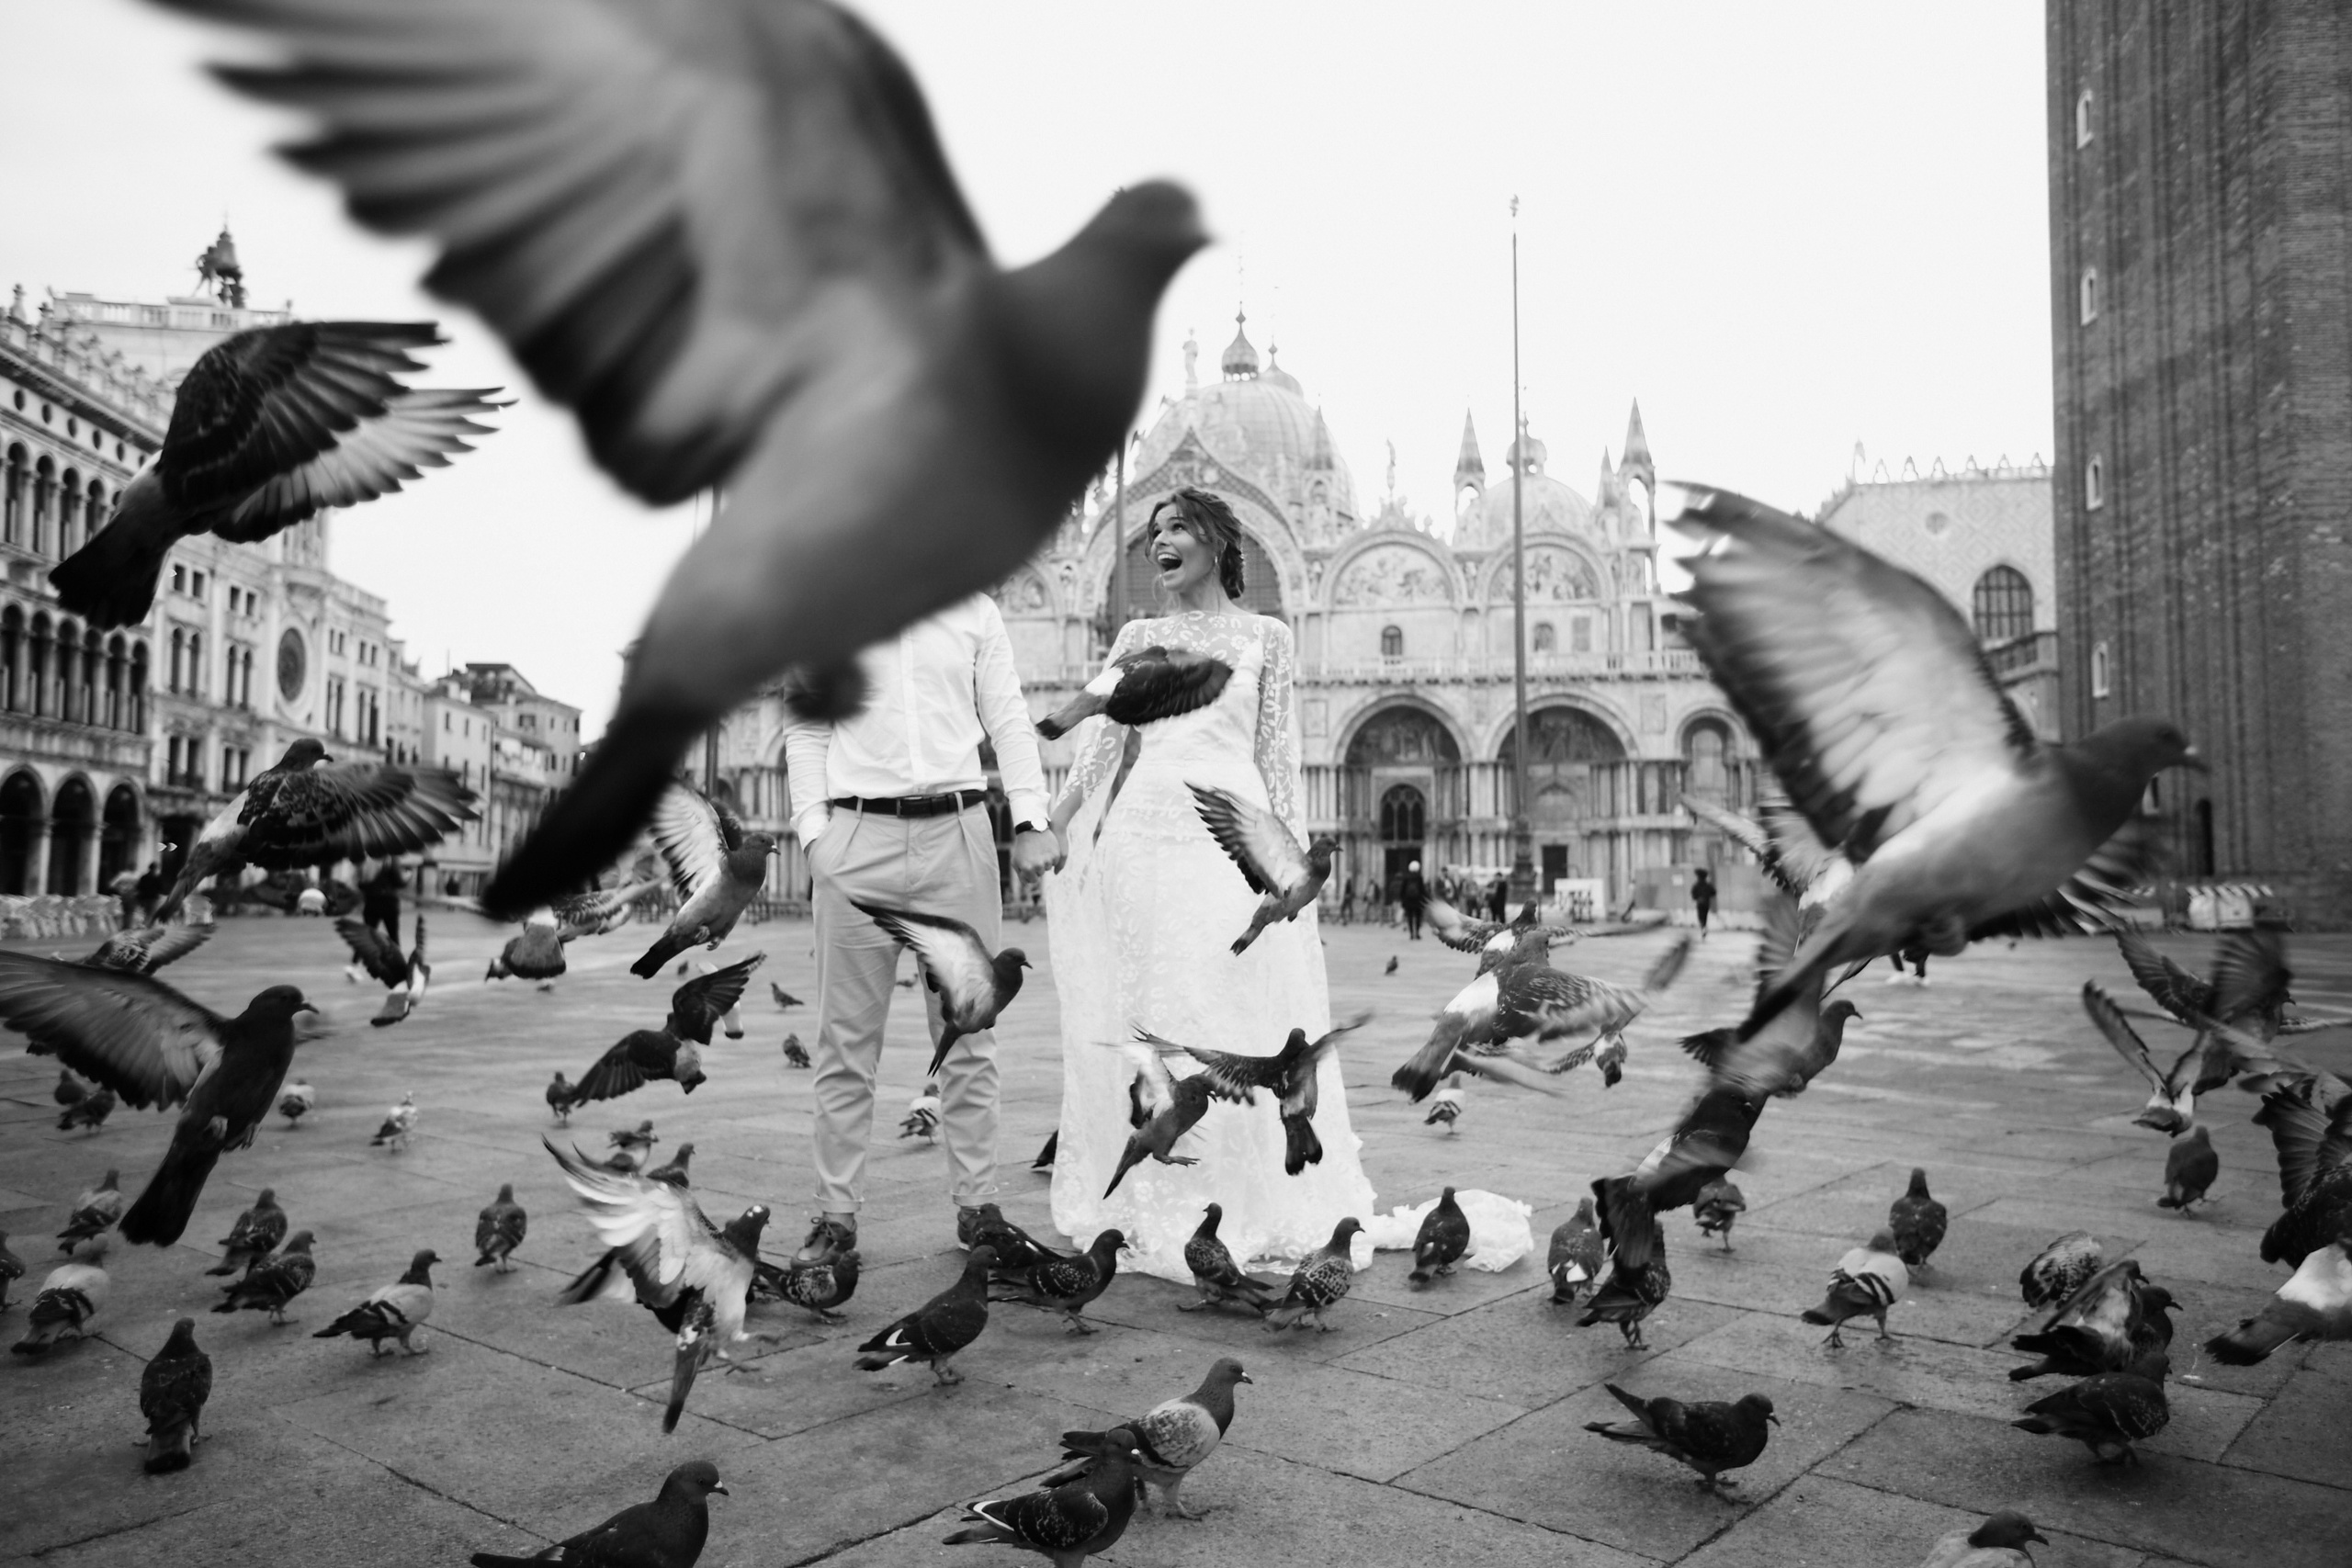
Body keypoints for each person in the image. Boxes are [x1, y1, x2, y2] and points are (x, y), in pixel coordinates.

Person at [1042, 487, 1375, 1280]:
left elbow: (1275, 759)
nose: (1160, 542)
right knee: (1152, 1007)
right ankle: (1155, 1189)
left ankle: (1240, 1193)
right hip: (1141, 839)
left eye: (1177, 528)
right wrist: (1054, 819)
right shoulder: (1137, 635)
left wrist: (1289, 867)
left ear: (1218, 544)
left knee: (1231, 1001)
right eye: (1153, 531)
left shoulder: (1267, 637)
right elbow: (1099, 749)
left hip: (1229, 836)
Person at [785, 595, 1057, 1264]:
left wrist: (1030, 817)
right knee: (845, 1040)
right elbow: (807, 729)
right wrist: (816, 836)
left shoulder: (976, 609)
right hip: (855, 835)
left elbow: (1008, 714)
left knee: (969, 1032)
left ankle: (978, 1206)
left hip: (958, 832)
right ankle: (835, 1214)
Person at [361, 860, 406, 945]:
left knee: (368, 934)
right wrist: (408, 877)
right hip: (389, 903)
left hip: (371, 902)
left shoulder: (368, 859)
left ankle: (359, 956)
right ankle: (397, 957)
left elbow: (361, 881)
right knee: (393, 935)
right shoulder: (391, 860)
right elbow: (399, 882)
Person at [1398, 860, 1429, 941]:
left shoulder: (1406, 877)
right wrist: (1426, 899)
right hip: (1418, 901)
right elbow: (1422, 890)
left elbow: (1402, 890)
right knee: (1418, 917)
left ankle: (1411, 934)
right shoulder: (1419, 877)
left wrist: (1402, 900)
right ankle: (1417, 933)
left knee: (1410, 917)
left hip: (1408, 901)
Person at [132, 861, 164, 926]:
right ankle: (148, 926)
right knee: (151, 913)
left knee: (145, 913)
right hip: (153, 898)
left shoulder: (144, 877)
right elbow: (160, 889)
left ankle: (145, 924)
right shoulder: (157, 878)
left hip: (144, 898)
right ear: (155, 868)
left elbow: (139, 887)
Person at [1691, 867, 1716, 938]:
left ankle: (1703, 927)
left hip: (1699, 903)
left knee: (1700, 916)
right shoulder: (1708, 885)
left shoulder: (1696, 885)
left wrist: (1697, 898)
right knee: (1705, 916)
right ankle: (1704, 927)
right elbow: (1714, 892)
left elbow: (1693, 894)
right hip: (1706, 903)